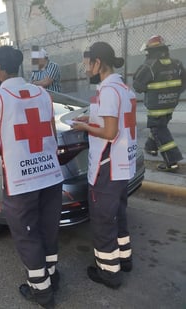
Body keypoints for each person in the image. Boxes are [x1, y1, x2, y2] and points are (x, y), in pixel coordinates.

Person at [0, 46, 64, 308]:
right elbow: (50, 133)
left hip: (21, 182)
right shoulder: (43, 93)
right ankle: (52, 276)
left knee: (27, 235)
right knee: (48, 229)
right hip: (51, 176)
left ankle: (41, 291)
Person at [72, 42, 137, 289]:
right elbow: (114, 118)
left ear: (98, 62)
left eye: (87, 61)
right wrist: (89, 118)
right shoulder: (122, 87)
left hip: (107, 164)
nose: (85, 66)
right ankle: (124, 258)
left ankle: (109, 273)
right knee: (118, 213)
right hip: (122, 163)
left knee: (102, 219)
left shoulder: (108, 90)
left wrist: (83, 127)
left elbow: (109, 131)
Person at [133, 35, 185, 172]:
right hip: (171, 105)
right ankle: (151, 148)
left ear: (149, 51)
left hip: (156, 108)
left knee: (158, 128)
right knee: (160, 126)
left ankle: (172, 162)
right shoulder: (177, 64)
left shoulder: (150, 65)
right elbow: (183, 84)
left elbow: (138, 86)